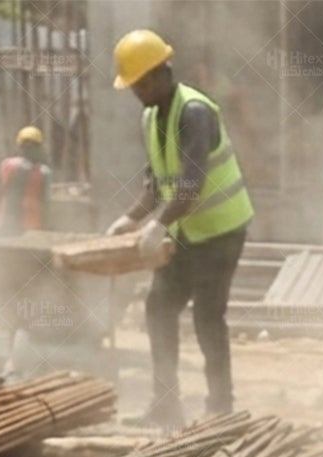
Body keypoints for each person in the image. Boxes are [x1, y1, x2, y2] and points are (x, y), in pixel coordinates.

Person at [106, 28, 254, 429]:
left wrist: (157, 225)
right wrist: (133, 217)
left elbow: (191, 183)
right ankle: (166, 403)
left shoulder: (195, 112)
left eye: (138, 85)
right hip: (188, 231)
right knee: (158, 309)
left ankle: (221, 408)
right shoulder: (152, 115)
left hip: (222, 231)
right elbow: (157, 182)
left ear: (157, 75)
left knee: (208, 316)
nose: (135, 92)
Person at [0, 125, 49, 239]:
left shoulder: (5, 165)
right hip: (31, 229)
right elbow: (46, 201)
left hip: (4, 226)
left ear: (19, 146)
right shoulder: (43, 172)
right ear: (39, 147)